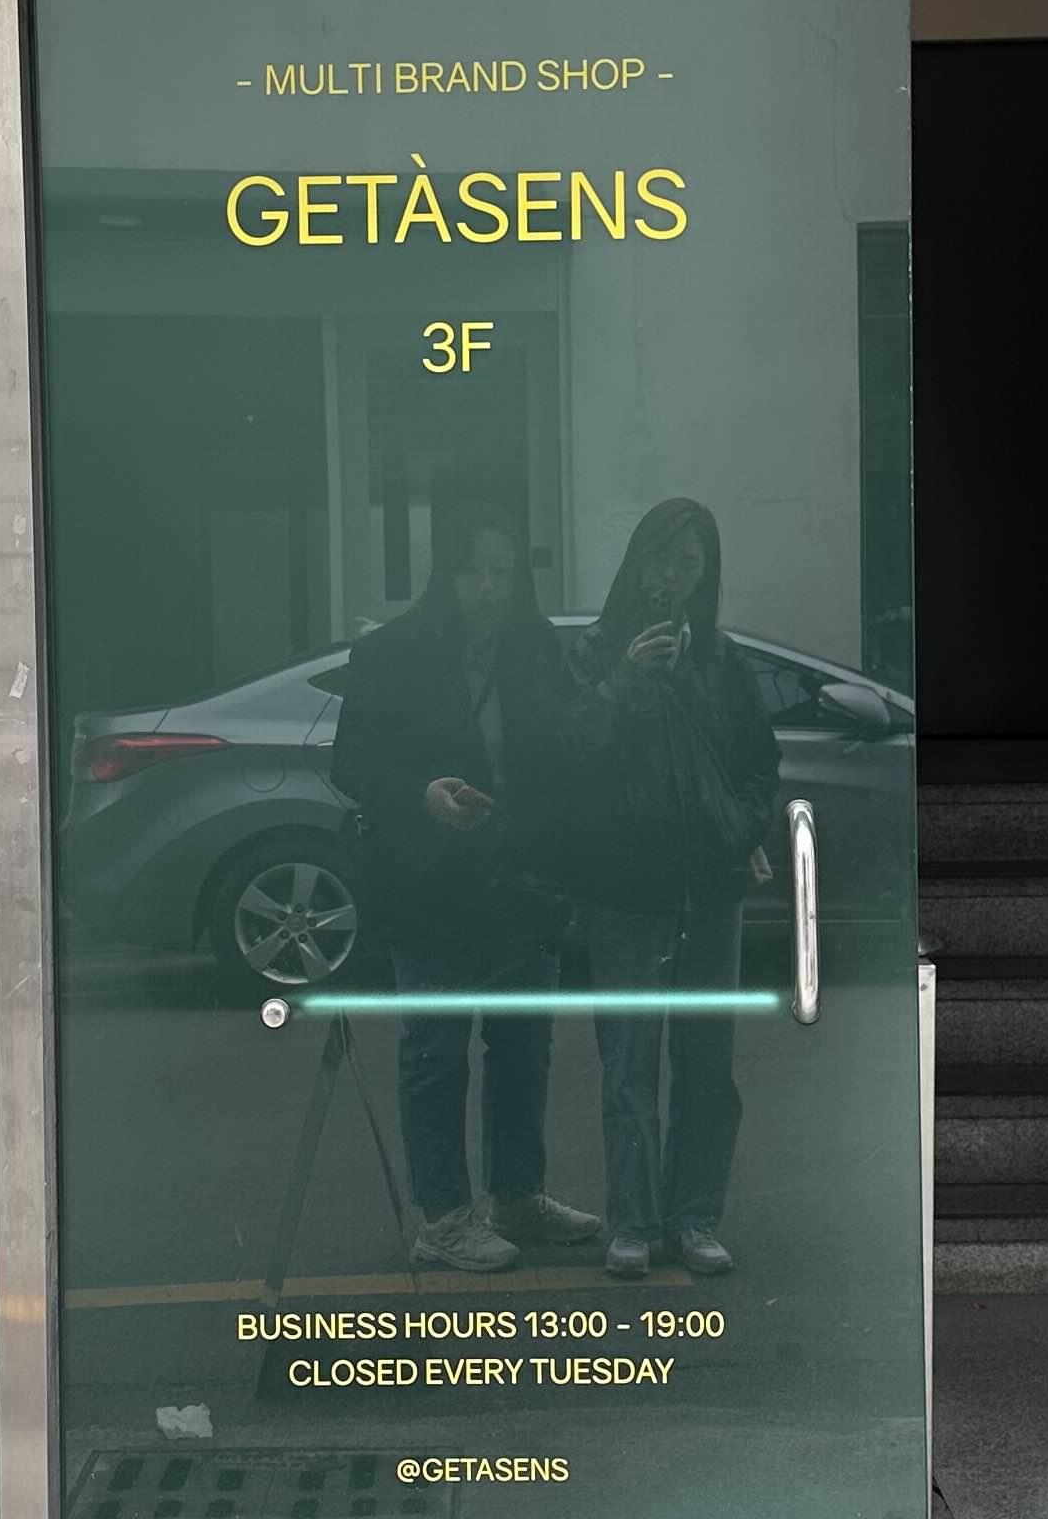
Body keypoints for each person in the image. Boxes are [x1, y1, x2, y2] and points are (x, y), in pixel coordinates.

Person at [327, 505, 603, 1275]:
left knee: (523, 1046)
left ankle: (517, 1194)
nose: (489, 586)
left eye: (503, 571)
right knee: (436, 1050)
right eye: (474, 570)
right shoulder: (393, 651)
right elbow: (352, 762)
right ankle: (444, 1217)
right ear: (446, 574)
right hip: (432, 881)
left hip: (520, 881)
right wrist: (421, 795)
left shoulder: (535, 649)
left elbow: (565, 750)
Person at [562, 497, 781, 1283]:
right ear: (637, 561)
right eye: (663, 558)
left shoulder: (720, 660)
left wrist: (738, 832)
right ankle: (633, 1221)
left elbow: (760, 765)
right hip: (625, 890)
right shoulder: (593, 653)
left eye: (692, 563)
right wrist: (623, 679)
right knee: (628, 1064)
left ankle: (695, 1218)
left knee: (706, 1064)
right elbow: (568, 754)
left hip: (709, 889)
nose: (675, 576)